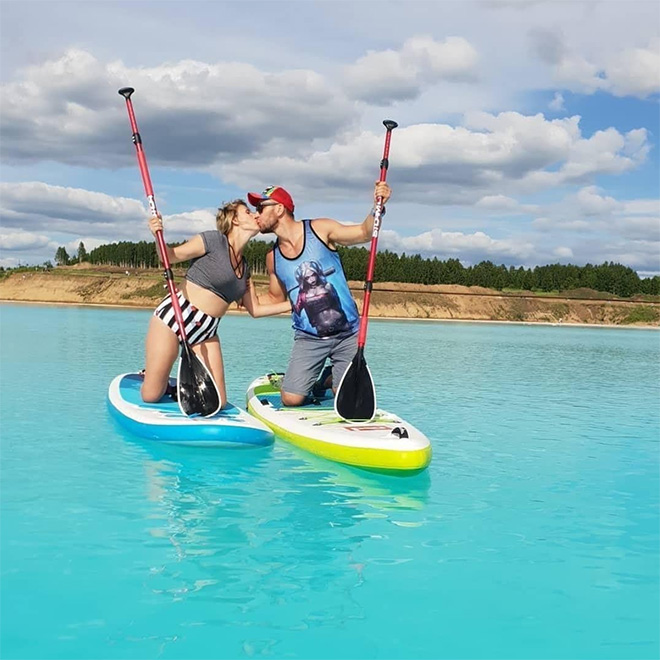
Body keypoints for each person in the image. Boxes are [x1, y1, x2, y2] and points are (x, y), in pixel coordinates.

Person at [248, 182, 391, 406]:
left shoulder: (320, 229)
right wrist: (242, 288)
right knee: (291, 400)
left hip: (348, 334)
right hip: (309, 337)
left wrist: (377, 206)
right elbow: (276, 298)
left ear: (279, 209)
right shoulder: (272, 257)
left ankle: (328, 378)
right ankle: (315, 379)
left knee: (345, 398)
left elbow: (364, 233)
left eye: (260, 208)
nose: (256, 215)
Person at [142, 200, 291, 406]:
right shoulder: (213, 240)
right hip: (175, 317)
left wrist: (295, 304)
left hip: (206, 331)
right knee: (150, 395)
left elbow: (255, 309)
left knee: (218, 402)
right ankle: (159, 379)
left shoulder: (245, 267)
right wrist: (157, 234)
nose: (255, 215)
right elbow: (169, 257)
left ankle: (178, 383)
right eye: (247, 212)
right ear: (235, 219)